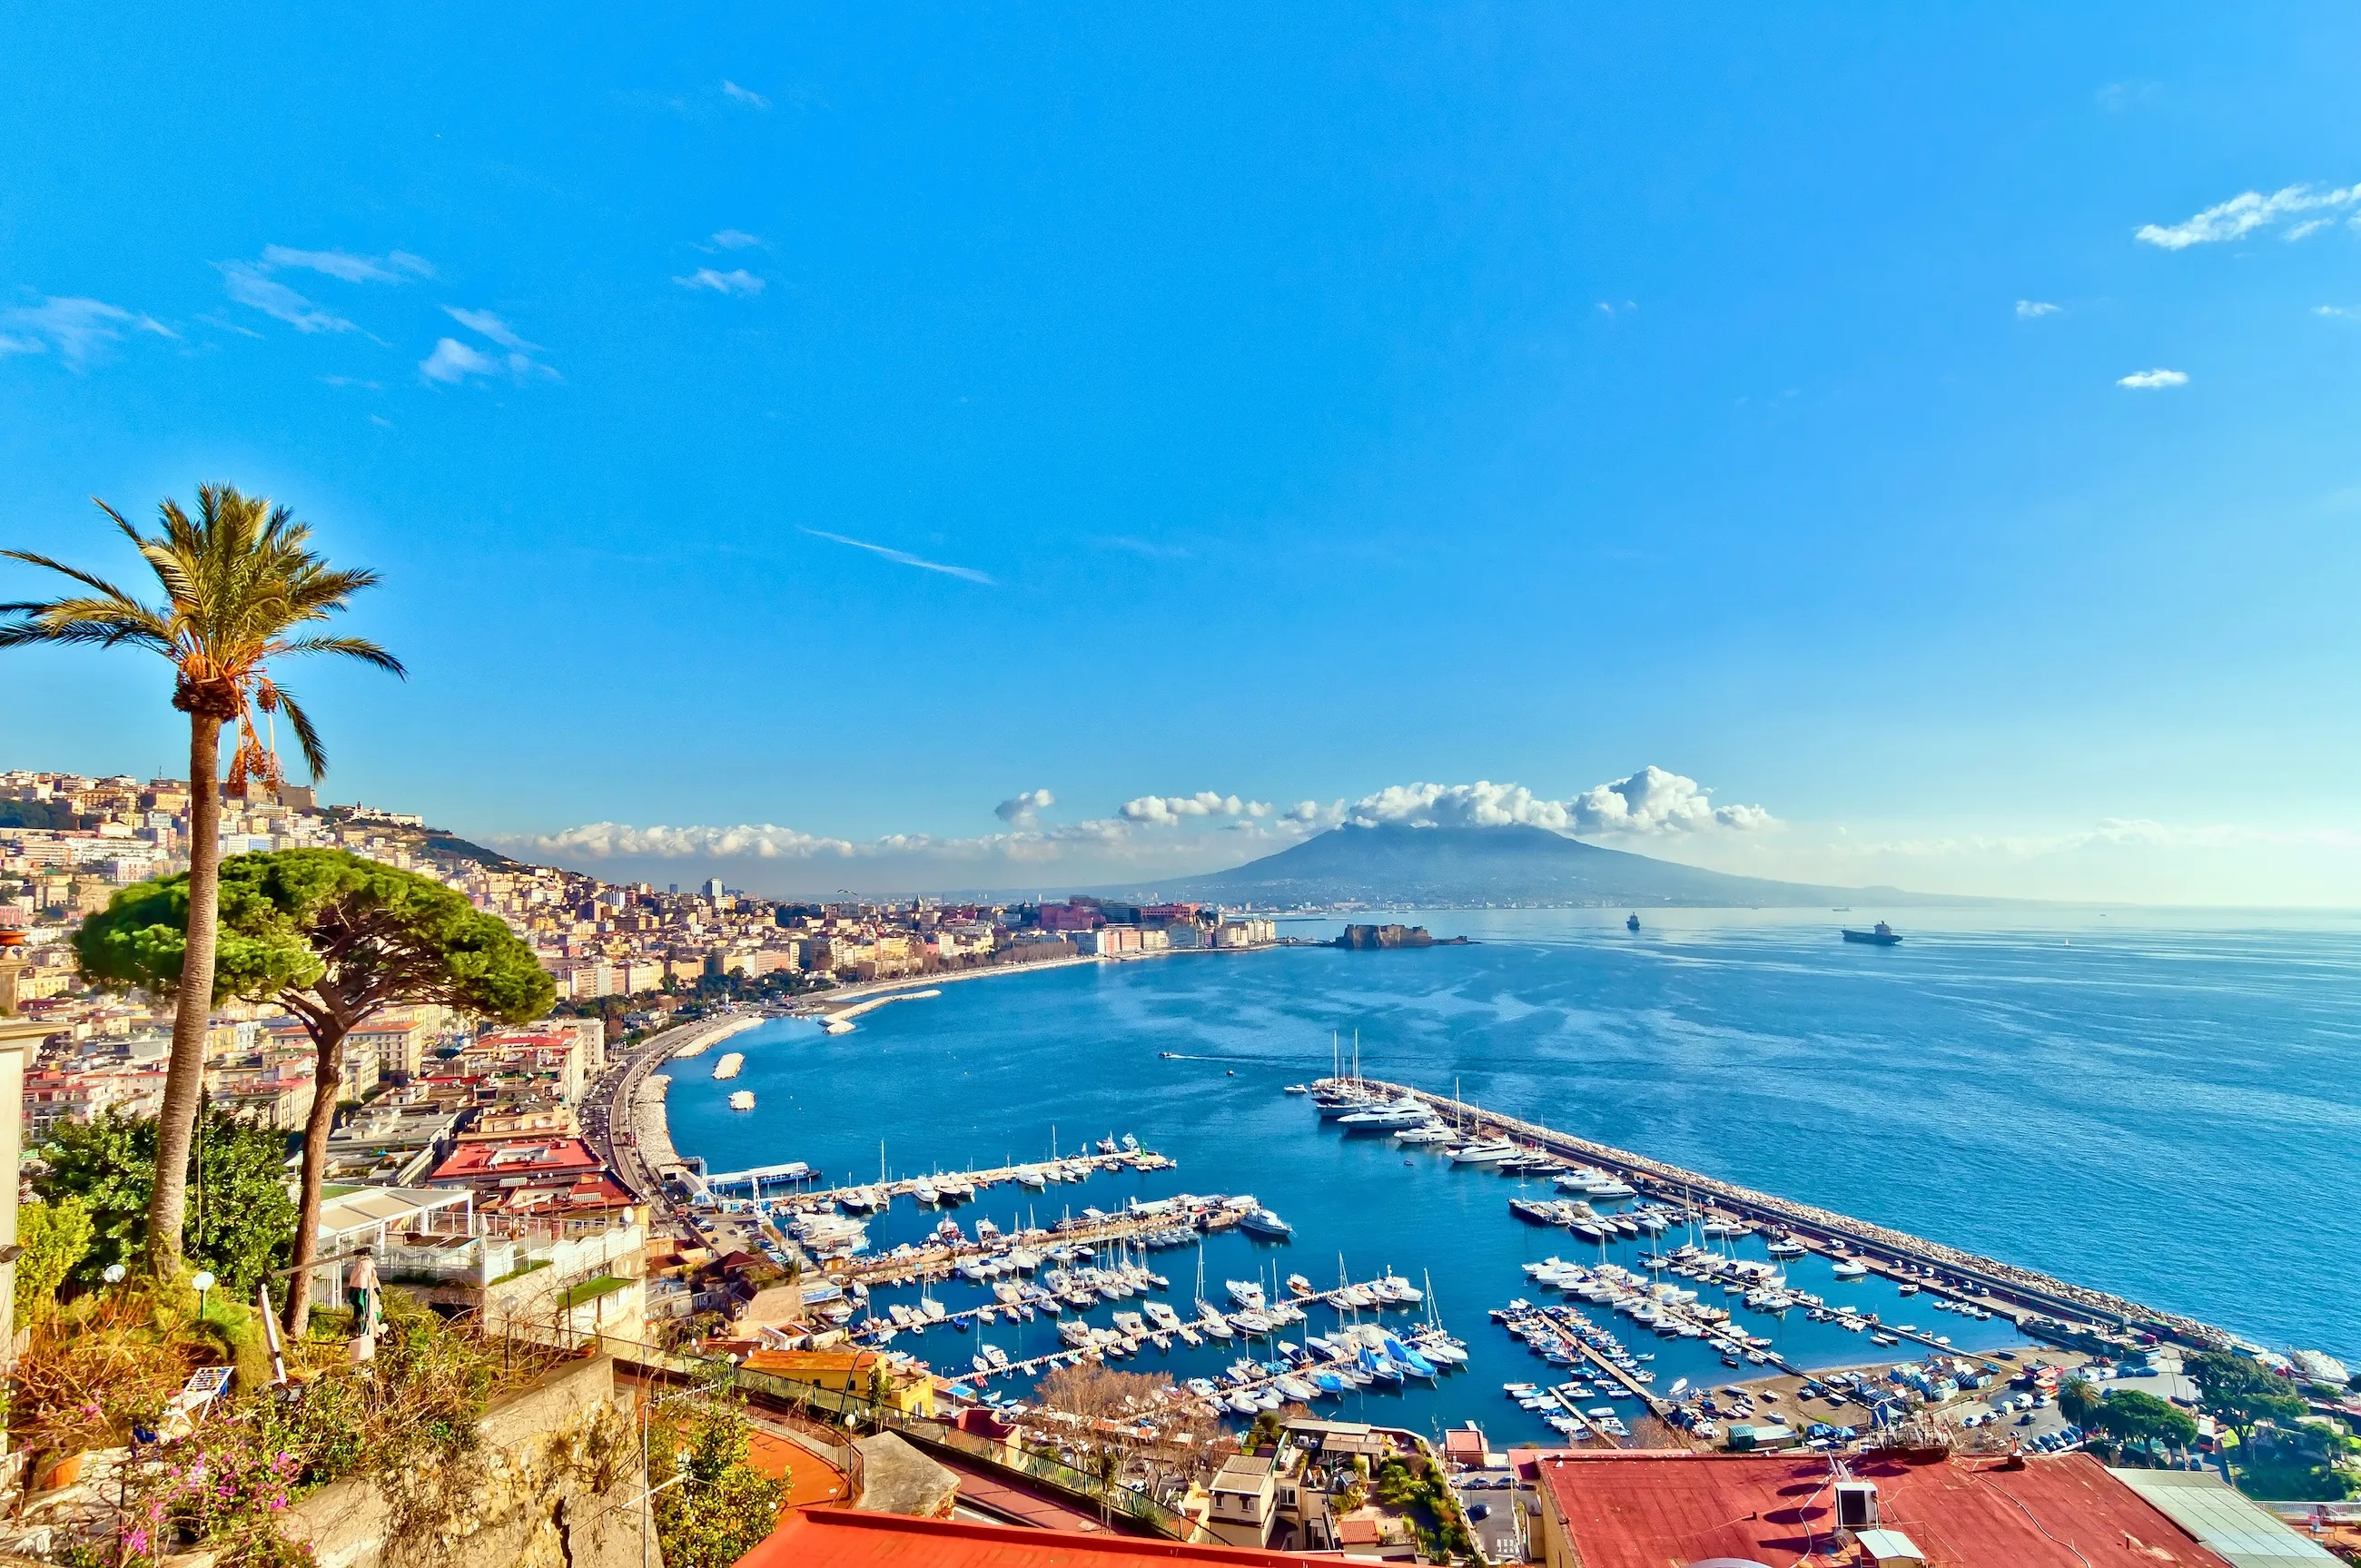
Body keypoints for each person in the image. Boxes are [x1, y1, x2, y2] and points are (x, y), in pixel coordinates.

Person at [348, 1246, 380, 1334]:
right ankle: (363, 1330)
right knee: (364, 1309)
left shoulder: (362, 1264)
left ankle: (361, 1329)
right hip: (363, 1288)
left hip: (361, 1288)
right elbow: (372, 1275)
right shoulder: (367, 1264)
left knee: (361, 1309)